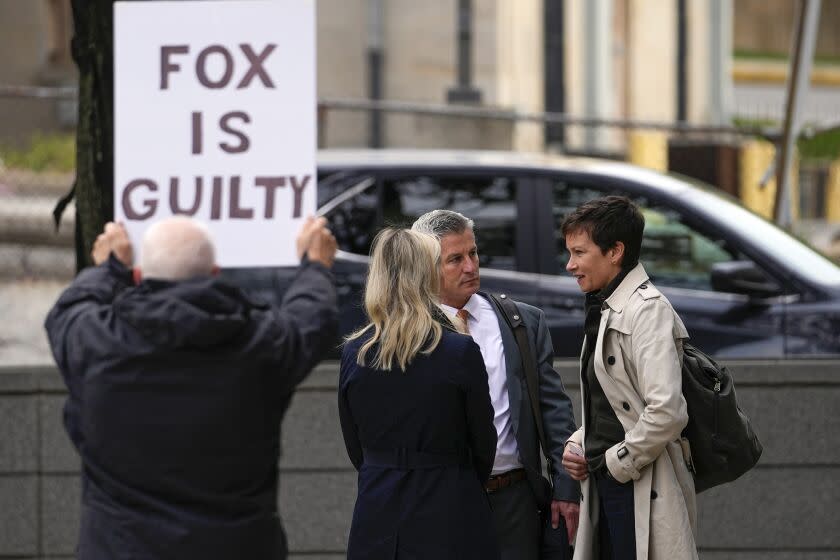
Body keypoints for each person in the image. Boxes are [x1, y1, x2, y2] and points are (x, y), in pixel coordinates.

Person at [44, 215, 339, 560]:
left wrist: (108, 268)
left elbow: (68, 310)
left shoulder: (97, 342)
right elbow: (313, 317)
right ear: (215, 272)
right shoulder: (260, 347)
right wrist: (316, 265)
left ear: (138, 276)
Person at [412, 210, 580, 560]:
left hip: (514, 499)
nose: (471, 267)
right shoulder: (409, 334)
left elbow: (554, 410)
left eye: (473, 254)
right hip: (441, 503)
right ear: (425, 267)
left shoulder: (520, 322)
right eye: (455, 259)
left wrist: (566, 488)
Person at [338, 227, 499, 560]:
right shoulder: (459, 351)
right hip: (451, 509)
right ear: (427, 276)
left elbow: (355, 446)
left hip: (378, 510)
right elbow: (484, 441)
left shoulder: (355, 353)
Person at [559, 196, 698, 560]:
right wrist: (580, 442)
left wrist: (615, 462)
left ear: (615, 251)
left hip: (636, 485)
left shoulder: (647, 311)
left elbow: (667, 410)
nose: (570, 265)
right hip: (610, 482)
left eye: (579, 252)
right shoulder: (605, 304)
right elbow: (613, 402)